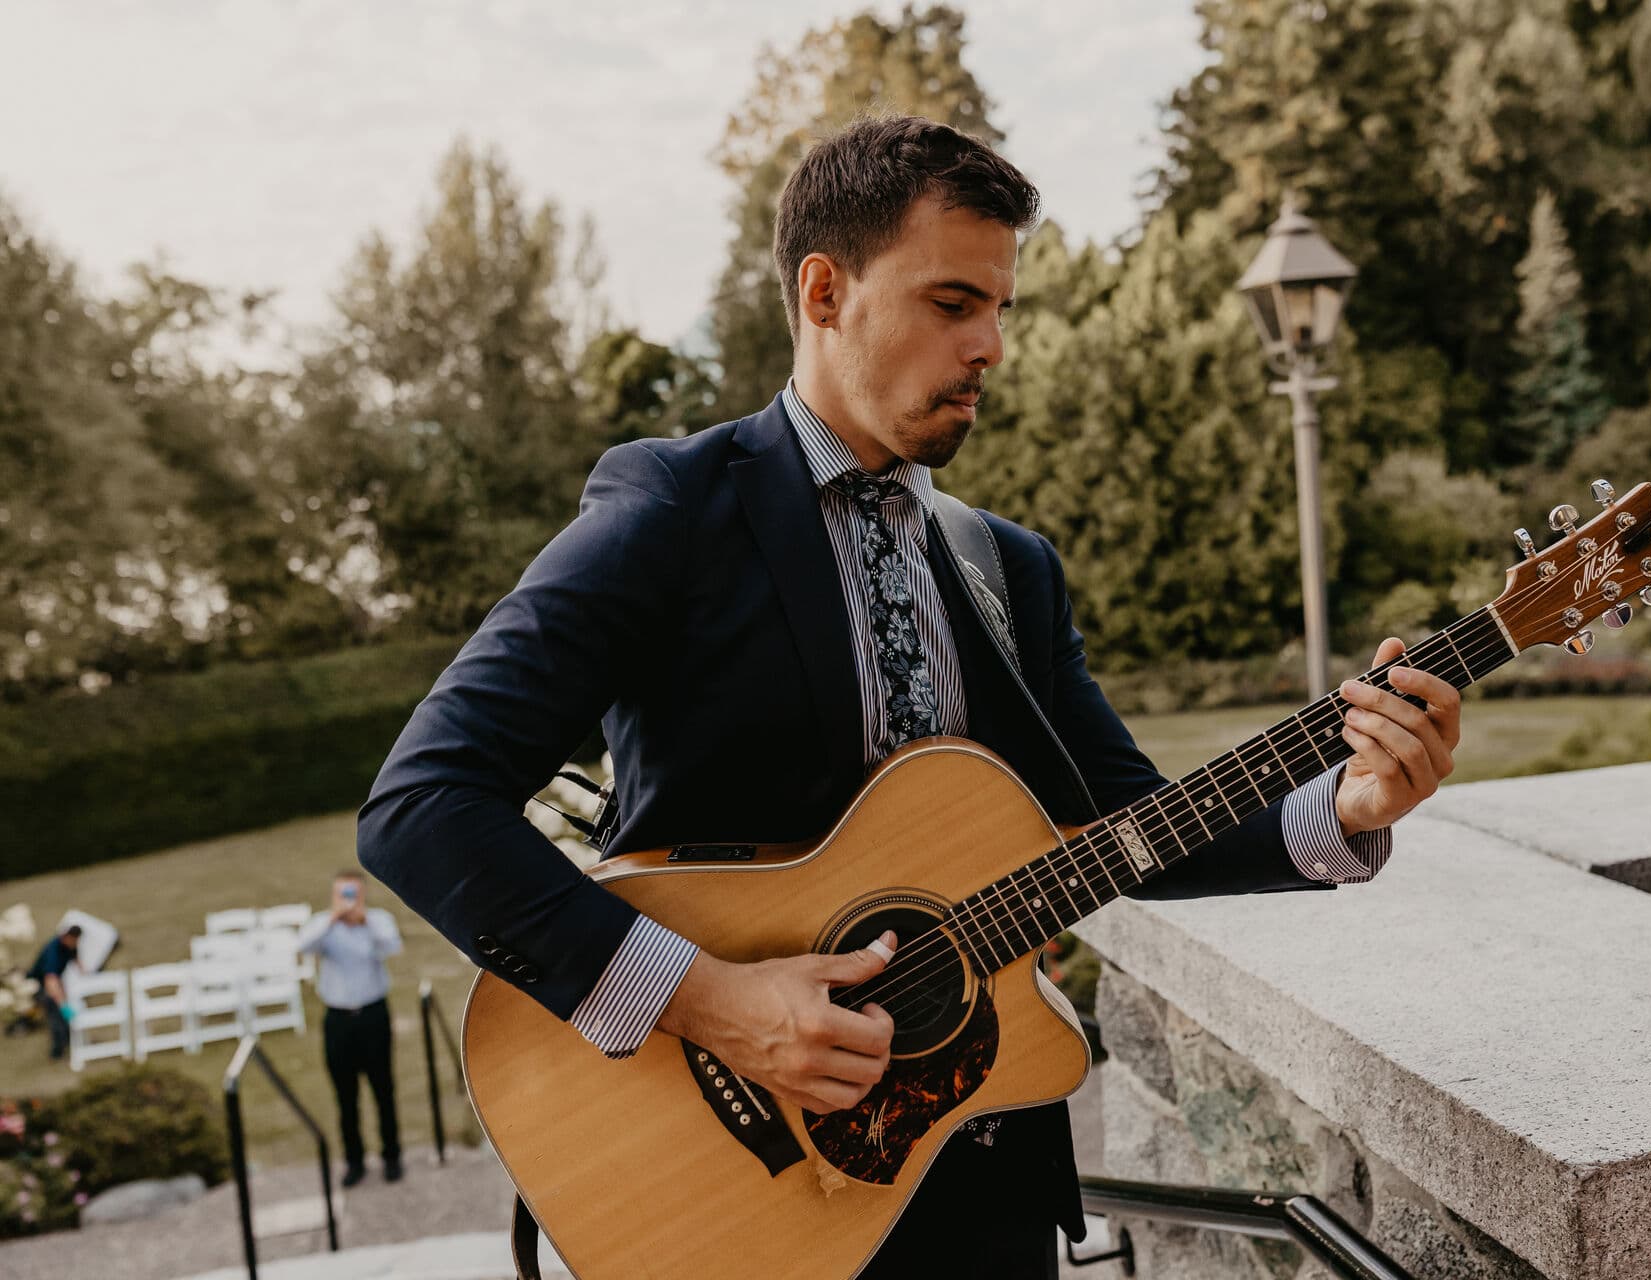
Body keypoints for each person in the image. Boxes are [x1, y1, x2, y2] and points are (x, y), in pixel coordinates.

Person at [359, 115, 1461, 1277]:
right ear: (824, 290)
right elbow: (423, 801)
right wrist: (714, 1002)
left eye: (1001, 309)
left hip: (980, 1174)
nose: (991, 345)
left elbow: (1123, 821)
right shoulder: (672, 510)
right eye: (952, 303)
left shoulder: (1007, 565)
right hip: (732, 1176)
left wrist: (1345, 808)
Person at [296, 872, 404, 1187]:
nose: (347, 899)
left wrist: (363, 921)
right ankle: (354, 1161)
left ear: (362, 893)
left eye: (352, 893)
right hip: (338, 1020)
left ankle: (392, 1156)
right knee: (345, 1095)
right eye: (341, 893)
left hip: (373, 1015)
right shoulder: (323, 925)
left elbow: (392, 946)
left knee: (383, 1088)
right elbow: (303, 945)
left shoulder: (378, 921)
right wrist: (333, 919)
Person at [27, 924, 83, 1061]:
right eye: (74, 941)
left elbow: (78, 962)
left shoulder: (71, 946)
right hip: (39, 984)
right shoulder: (54, 951)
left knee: (61, 1014)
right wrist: (63, 1005)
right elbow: (50, 981)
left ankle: (70, 1042)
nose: (75, 944)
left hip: (55, 981)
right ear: (67, 937)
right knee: (55, 1015)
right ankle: (56, 1052)